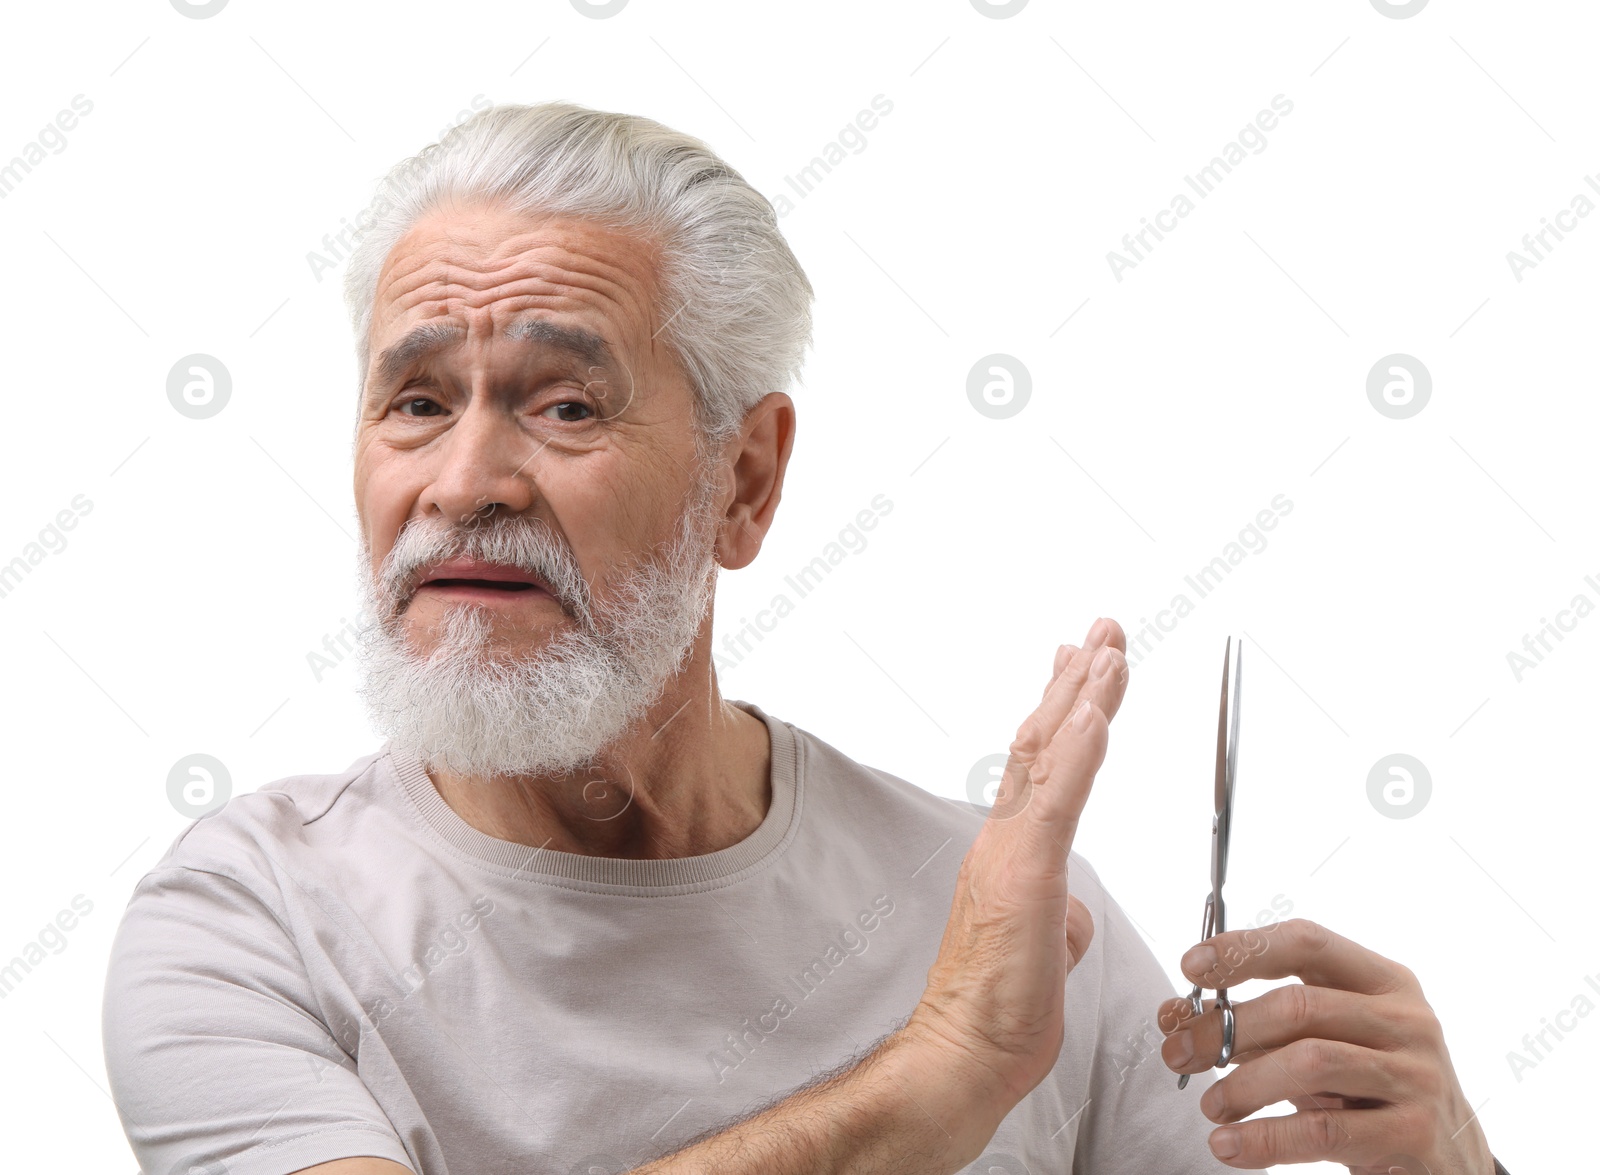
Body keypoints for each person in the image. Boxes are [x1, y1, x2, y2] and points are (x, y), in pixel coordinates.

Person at [102, 102, 1503, 1175]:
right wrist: (936, 1075)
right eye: (413, 402)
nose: (464, 480)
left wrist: (1457, 1157)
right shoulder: (248, 922)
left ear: (746, 481)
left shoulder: (1007, 908)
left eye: (565, 406)